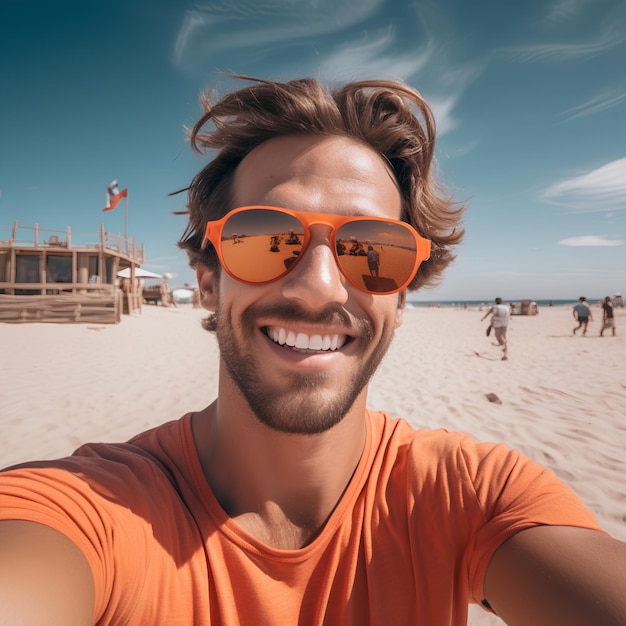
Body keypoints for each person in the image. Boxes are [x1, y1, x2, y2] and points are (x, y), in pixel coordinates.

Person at [1, 76, 625, 626]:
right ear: (210, 284)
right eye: (265, 239)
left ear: (402, 298)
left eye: (374, 250)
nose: (319, 285)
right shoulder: (93, 509)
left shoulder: (470, 496)